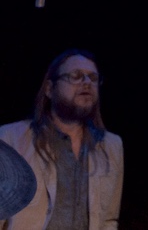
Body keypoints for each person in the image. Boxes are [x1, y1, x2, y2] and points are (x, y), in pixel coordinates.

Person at [0, 49, 124, 229]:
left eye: (93, 77)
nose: (87, 82)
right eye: (76, 76)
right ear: (50, 89)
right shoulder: (10, 139)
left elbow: (109, 221)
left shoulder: (111, 146)